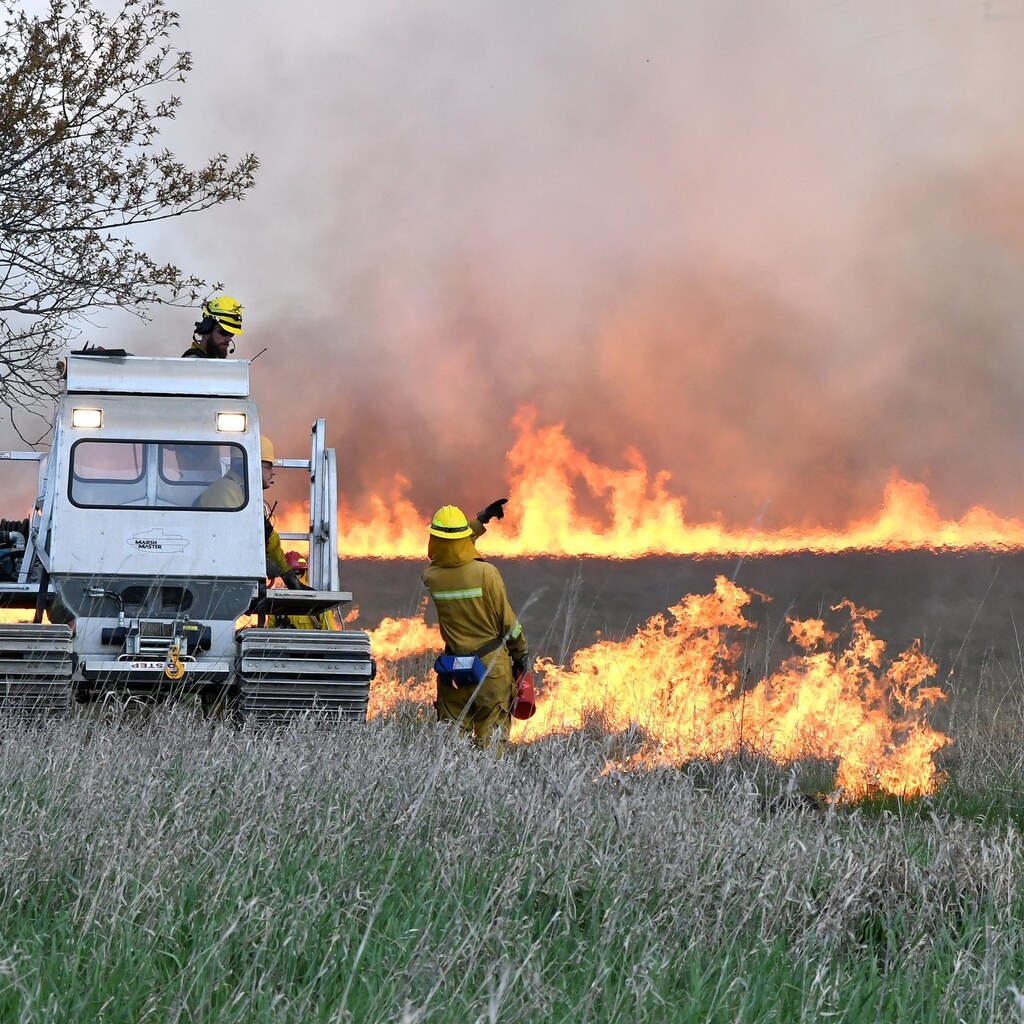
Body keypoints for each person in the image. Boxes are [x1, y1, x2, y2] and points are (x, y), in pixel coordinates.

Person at [421, 498, 529, 752]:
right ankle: (487, 788)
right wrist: (521, 654)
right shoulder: (487, 573)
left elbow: (452, 553)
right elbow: (508, 623)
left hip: (454, 672)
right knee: (492, 745)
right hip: (492, 668)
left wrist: (479, 521)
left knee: (449, 748)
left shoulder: (431, 577)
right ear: (463, 538)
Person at [198, 435, 305, 589]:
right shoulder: (225, 491)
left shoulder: (244, 497)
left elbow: (270, 540)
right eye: (268, 466)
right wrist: (257, 562)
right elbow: (226, 540)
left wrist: (287, 575)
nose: (272, 473)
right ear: (251, 464)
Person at [269, 551, 337, 629]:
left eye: (296, 573)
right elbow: (271, 634)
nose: (293, 578)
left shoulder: (317, 601)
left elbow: (329, 634)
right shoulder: (276, 602)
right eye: (289, 574)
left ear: (303, 572)